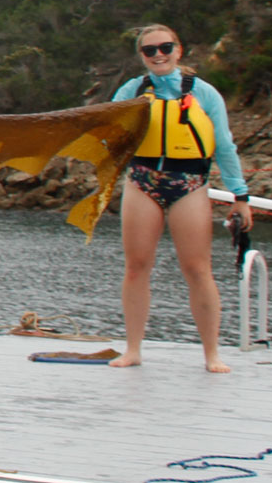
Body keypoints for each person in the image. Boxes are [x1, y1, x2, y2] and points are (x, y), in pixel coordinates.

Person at [108, 24, 252, 373]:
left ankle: (212, 354)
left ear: (178, 49)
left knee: (197, 268)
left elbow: (225, 146)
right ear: (141, 56)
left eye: (165, 47)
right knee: (136, 266)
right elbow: (108, 135)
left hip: (190, 183)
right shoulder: (131, 91)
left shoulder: (204, 93)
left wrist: (240, 196)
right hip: (142, 182)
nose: (158, 55)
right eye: (149, 50)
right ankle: (132, 350)